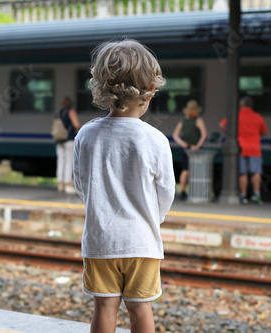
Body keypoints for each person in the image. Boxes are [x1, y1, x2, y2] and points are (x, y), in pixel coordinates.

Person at [73, 39, 175, 333]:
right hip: (142, 241)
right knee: (140, 307)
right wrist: (151, 219)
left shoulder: (87, 135)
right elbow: (165, 192)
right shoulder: (155, 140)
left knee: (104, 306)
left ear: (100, 88)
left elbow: (82, 185)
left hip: (99, 239)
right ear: (151, 91)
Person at [219, 96, 267, 205]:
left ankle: (244, 196)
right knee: (256, 172)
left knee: (243, 173)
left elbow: (222, 124)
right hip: (255, 149)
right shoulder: (257, 117)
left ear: (241, 105)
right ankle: (256, 194)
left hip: (241, 147)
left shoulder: (236, 116)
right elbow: (264, 131)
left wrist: (229, 133)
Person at [172, 100, 208, 200]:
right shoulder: (198, 120)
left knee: (185, 170)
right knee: (198, 171)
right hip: (196, 150)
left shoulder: (183, 121)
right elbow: (204, 135)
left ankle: (182, 191)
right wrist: (197, 146)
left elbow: (175, 135)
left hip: (186, 149)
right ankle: (198, 191)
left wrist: (183, 144)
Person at [54, 96, 80, 194]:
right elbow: (76, 124)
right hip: (69, 139)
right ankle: (68, 185)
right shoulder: (71, 112)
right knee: (69, 162)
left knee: (60, 161)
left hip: (59, 139)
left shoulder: (59, 113)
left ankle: (60, 185)